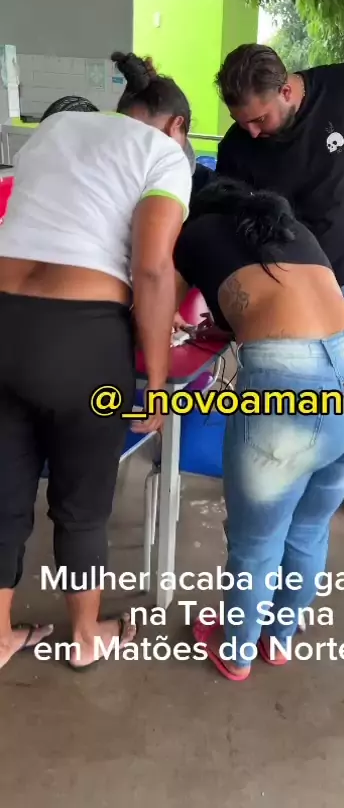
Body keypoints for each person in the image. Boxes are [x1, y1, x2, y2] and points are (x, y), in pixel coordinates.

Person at [0, 51, 193, 671]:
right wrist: (156, 382)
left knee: (4, 495)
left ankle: (0, 636)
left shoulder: (56, 127)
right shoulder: (165, 155)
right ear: (177, 126)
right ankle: (86, 636)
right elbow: (152, 268)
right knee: (81, 503)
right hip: (81, 339)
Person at [172, 177, 344, 681]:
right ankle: (278, 638)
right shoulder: (291, 230)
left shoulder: (193, 235)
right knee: (309, 527)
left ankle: (236, 650)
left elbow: (161, 311)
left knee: (256, 542)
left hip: (288, 391)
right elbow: (285, 302)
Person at [214, 44, 344, 515]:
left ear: (287, 91)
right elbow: (224, 225)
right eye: (241, 121)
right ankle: (288, 467)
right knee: (285, 389)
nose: (251, 131)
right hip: (280, 288)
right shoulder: (238, 146)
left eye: (259, 119)